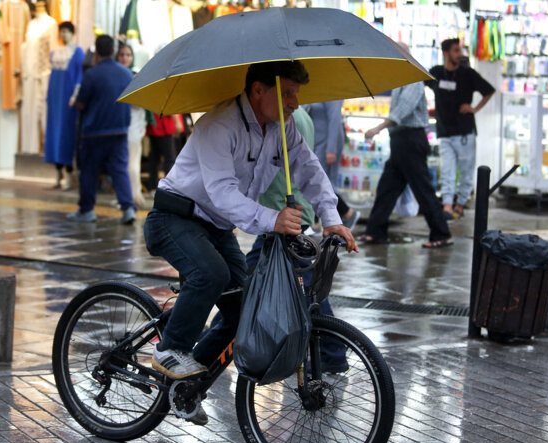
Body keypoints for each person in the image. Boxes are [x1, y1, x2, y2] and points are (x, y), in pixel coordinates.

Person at [144, 61, 357, 392]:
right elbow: (222, 192)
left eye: (296, 94)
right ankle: (169, 349)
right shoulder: (219, 124)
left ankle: (189, 387)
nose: (294, 103)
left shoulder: (280, 127)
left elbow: (308, 167)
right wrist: (272, 218)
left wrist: (331, 219)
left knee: (245, 309)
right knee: (211, 274)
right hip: (175, 218)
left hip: (216, 227)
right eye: (287, 93)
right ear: (258, 90)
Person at [357, 45, 452, 249]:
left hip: (411, 140)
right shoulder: (401, 77)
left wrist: (378, 127)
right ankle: (376, 232)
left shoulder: (413, 78)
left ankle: (442, 233)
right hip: (401, 141)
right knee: (387, 188)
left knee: (422, 188)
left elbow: (402, 111)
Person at [67, 34, 136, 225]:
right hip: (120, 129)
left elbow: (81, 103)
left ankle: (87, 210)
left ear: (96, 52)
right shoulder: (126, 73)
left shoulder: (91, 74)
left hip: (94, 131)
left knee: (89, 171)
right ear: (113, 51)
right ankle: (128, 208)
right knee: (120, 170)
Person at [426, 38, 495, 220]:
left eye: (460, 50)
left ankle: (460, 204)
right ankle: (447, 206)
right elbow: (420, 83)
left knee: (465, 171)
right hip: (445, 132)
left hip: (464, 132)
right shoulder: (436, 73)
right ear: (446, 53)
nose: (460, 54)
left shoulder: (468, 74)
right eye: (456, 50)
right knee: (447, 171)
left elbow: (489, 90)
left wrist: (474, 108)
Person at [306, 101, 360, 230]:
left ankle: (346, 212)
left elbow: (334, 118)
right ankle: (315, 223)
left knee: (320, 182)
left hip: (327, 143)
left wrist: (331, 149)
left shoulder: (330, 91)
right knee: (317, 182)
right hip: (316, 140)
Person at [44, 21, 83, 190]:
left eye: (67, 31)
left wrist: (75, 94)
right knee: (53, 134)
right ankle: (57, 173)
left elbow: (79, 76)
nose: (64, 35)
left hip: (68, 100)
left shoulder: (77, 52)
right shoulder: (55, 52)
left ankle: (68, 173)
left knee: (66, 135)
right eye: (62, 32)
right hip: (54, 99)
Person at [116, 43, 147, 209]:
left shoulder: (135, 75)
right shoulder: (120, 74)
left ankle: (133, 196)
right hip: (124, 125)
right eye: (122, 55)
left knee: (131, 162)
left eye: (128, 55)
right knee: (128, 162)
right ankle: (130, 195)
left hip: (133, 126)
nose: (125, 58)